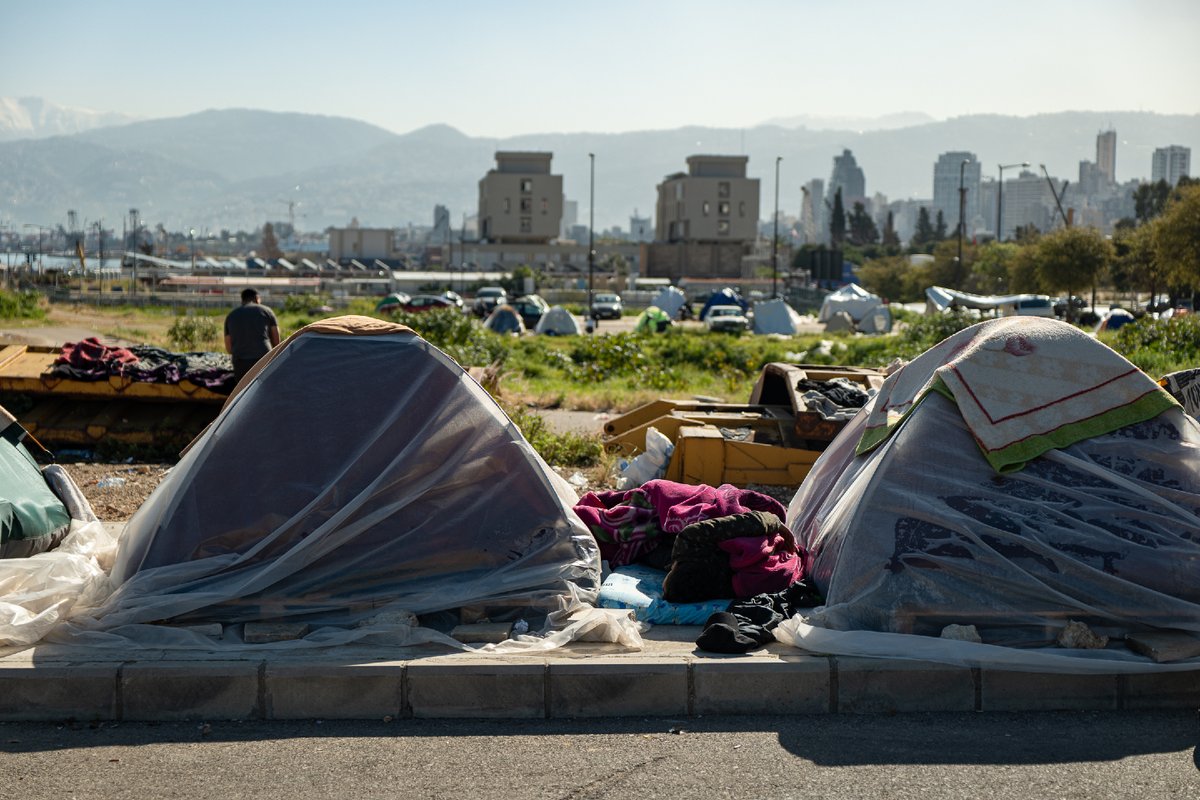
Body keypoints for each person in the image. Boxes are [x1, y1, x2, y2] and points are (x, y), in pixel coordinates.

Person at [224, 288, 280, 384]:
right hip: (263, 358)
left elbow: (229, 347)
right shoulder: (267, 311)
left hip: (240, 361)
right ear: (257, 298)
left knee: (243, 393)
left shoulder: (231, 315)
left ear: (242, 300)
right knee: (264, 389)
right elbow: (276, 340)